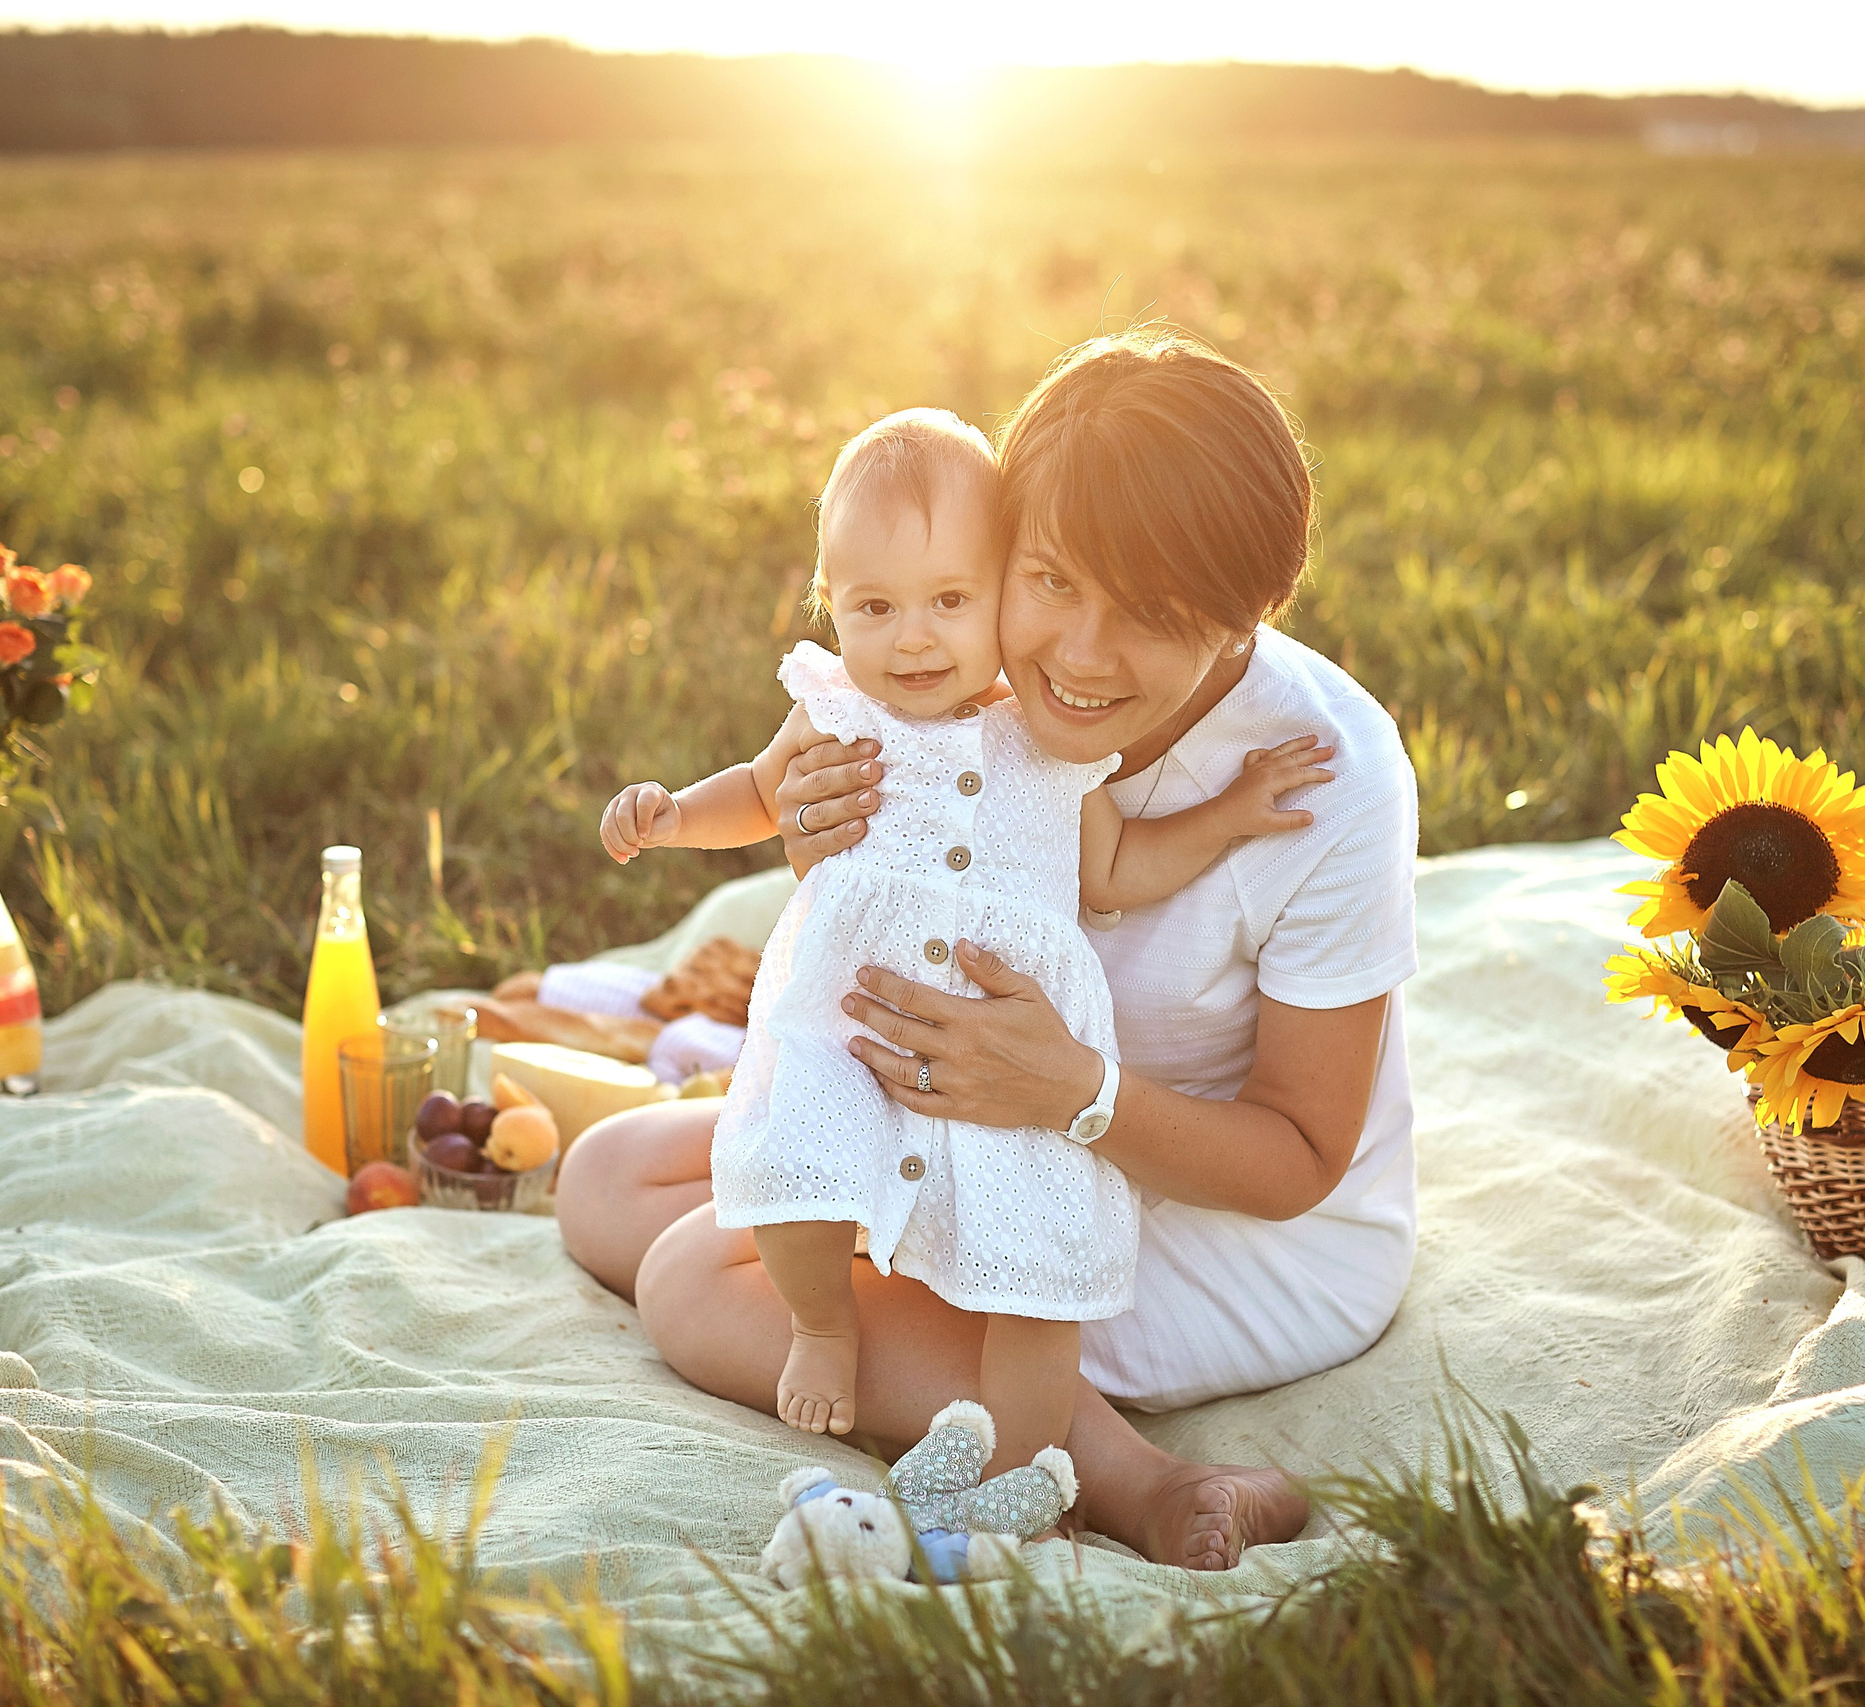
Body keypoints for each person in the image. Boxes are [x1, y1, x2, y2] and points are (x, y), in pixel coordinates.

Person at [558, 327, 1421, 1571]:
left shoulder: (1330, 771)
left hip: (1215, 1213)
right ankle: (936, 1319)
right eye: (1054, 581)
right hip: (971, 1116)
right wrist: (819, 842)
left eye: (1155, 616)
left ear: (1251, 613)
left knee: (696, 1276)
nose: (1078, 655)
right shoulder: (965, 688)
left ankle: (1140, 1481)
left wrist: (1072, 1094)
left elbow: (1298, 1162)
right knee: (608, 1178)